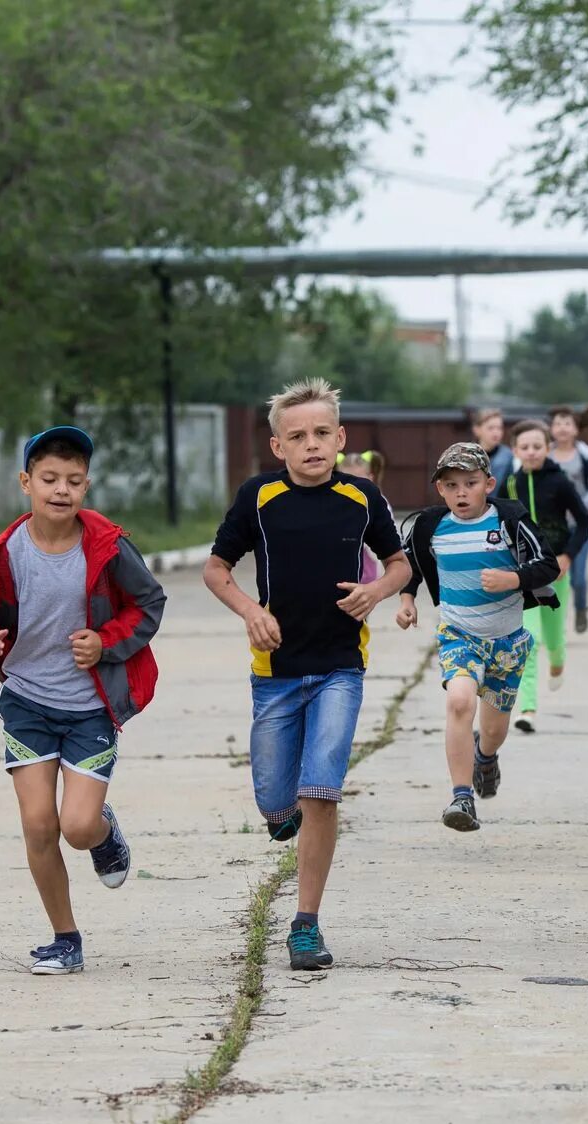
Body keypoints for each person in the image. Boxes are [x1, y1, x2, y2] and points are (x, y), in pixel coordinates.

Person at [204, 379, 411, 972]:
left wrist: (375, 590)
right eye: (298, 436)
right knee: (277, 804)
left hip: (340, 668)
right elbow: (216, 569)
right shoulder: (259, 497)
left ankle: (305, 924)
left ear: (341, 439)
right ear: (278, 446)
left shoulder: (362, 497)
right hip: (275, 672)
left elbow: (398, 564)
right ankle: (282, 813)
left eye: (323, 434)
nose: (312, 445)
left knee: (321, 790)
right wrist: (251, 611)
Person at [0, 426, 166, 976]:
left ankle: (104, 833)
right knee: (40, 824)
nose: (60, 490)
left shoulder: (109, 547)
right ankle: (65, 938)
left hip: (90, 707)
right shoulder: (1, 556)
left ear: (86, 487)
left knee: (77, 825)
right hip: (27, 704)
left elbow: (149, 603)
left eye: (73, 480)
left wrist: (106, 642)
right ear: (27, 483)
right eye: (49, 479)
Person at [396, 442, 561, 832]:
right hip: (459, 634)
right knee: (458, 701)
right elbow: (408, 567)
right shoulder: (430, 526)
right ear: (440, 489)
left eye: (470, 483)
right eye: (451, 485)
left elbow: (548, 564)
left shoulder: (510, 521)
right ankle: (461, 797)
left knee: (493, 731)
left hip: (506, 641)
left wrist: (513, 579)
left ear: (488, 483)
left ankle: (485, 757)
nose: (461, 493)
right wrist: (407, 600)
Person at [502, 420, 588, 733]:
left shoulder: (560, 482)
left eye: (537, 446)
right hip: (524, 574)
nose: (531, 452)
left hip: (555, 572)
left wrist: (568, 555)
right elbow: (496, 521)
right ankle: (527, 707)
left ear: (548, 448)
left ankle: (559, 657)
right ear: (515, 450)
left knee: (552, 638)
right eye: (524, 447)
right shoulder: (509, 484)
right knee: (529, 639)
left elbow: (583, 522)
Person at [549, 406, 588, 632]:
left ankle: (581, 608)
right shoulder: (544, 454)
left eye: (567, 424)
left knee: (578, 579)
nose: (562, 428)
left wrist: (581, 505)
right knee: (553, 578)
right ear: (551, 429)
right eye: (558, 423)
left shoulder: (586, 455)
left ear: (576, 429)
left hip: (578, 526)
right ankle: (555, 622)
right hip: (552, 526)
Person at [342, 450, 388, 585]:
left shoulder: (378, 502)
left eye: (358, 480)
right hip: (338, 575)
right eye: (346, 479)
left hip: (365, 577)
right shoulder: (335, 502)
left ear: (370, 478)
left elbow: (388, 541)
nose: (353, 486)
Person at [471, 407, 514, 483]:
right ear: (477, 430)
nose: (496, 432)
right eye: (490, 428)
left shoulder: (508, 456)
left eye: (499, 428)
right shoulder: (467, 454)